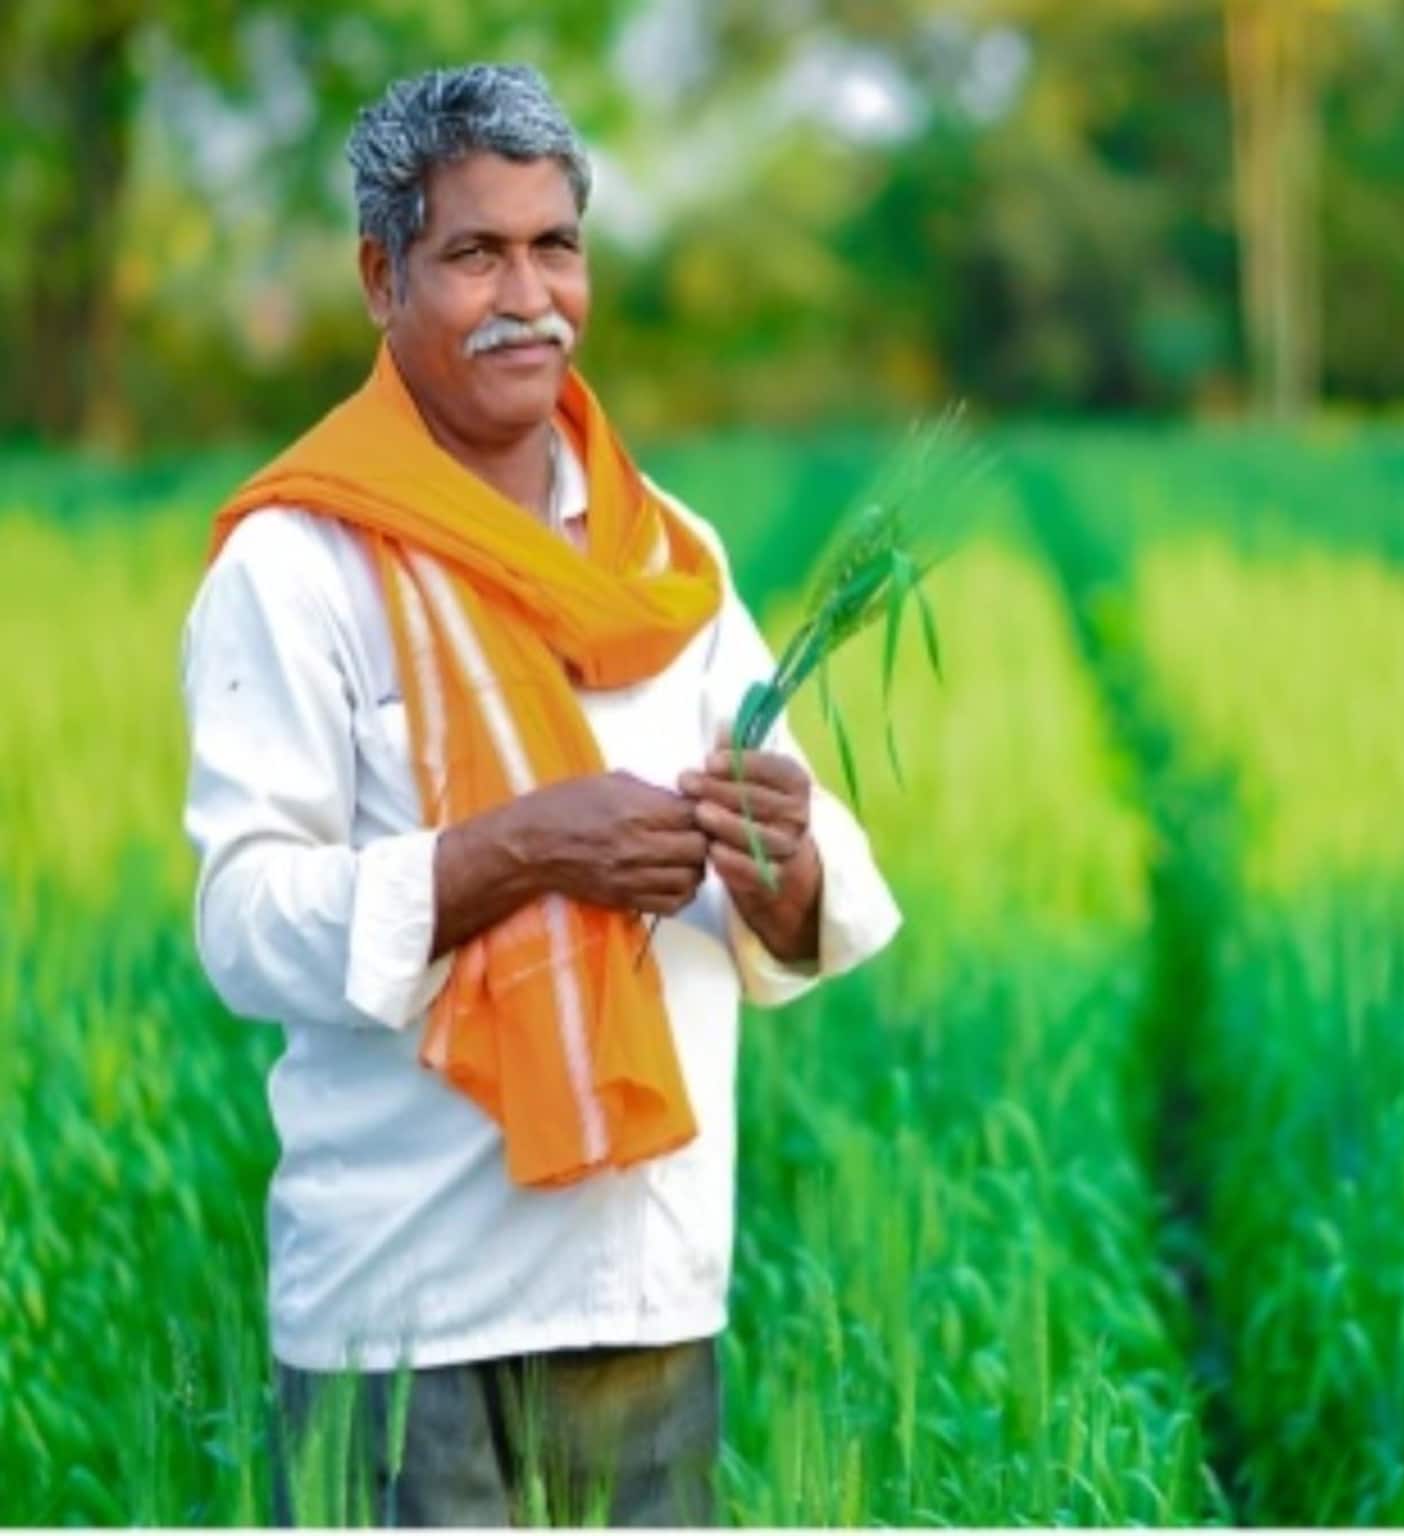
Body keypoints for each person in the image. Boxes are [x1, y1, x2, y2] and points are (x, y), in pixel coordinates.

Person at [176, 62, 903, 1526]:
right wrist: (512, 852)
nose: (529, 297)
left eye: (555, 245)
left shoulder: (668, 552)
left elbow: (803, 874)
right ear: (381, 278)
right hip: (402, 1302)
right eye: (475, 253)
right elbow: (242, 923)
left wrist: (787, 863)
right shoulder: (298, 565)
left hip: (645, 1284)